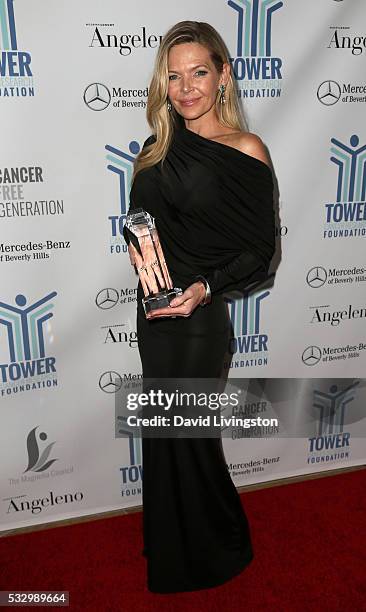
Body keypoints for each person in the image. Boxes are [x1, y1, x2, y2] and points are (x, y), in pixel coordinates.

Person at [123, 20, 276, 593]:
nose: (186, 87)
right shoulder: (155, 149)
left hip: (200, 318)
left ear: (223, 77)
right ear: (164, 82)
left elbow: (261, 251)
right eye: (175, 75)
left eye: (199, 73)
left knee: (191, 438)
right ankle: (172, 547)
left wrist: (206, 287)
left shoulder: (245, 149)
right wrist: (141, 254)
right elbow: (148, 230)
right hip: (155, 314)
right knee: (163, 436)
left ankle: (221, 546)